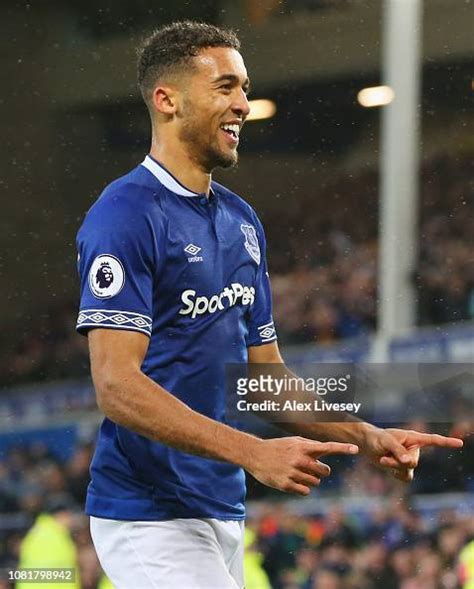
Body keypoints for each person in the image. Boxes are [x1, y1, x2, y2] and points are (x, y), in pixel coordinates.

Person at [75, 20, 463, 589]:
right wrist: (251, 451)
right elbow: (115, 386)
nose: (242, 104)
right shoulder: (125, 215)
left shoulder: (241, 222)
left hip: (221, 508)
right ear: (167, 100)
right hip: (147, 513)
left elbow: (264, 380)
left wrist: (365, 434)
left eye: (245, 88)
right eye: (225, 87)